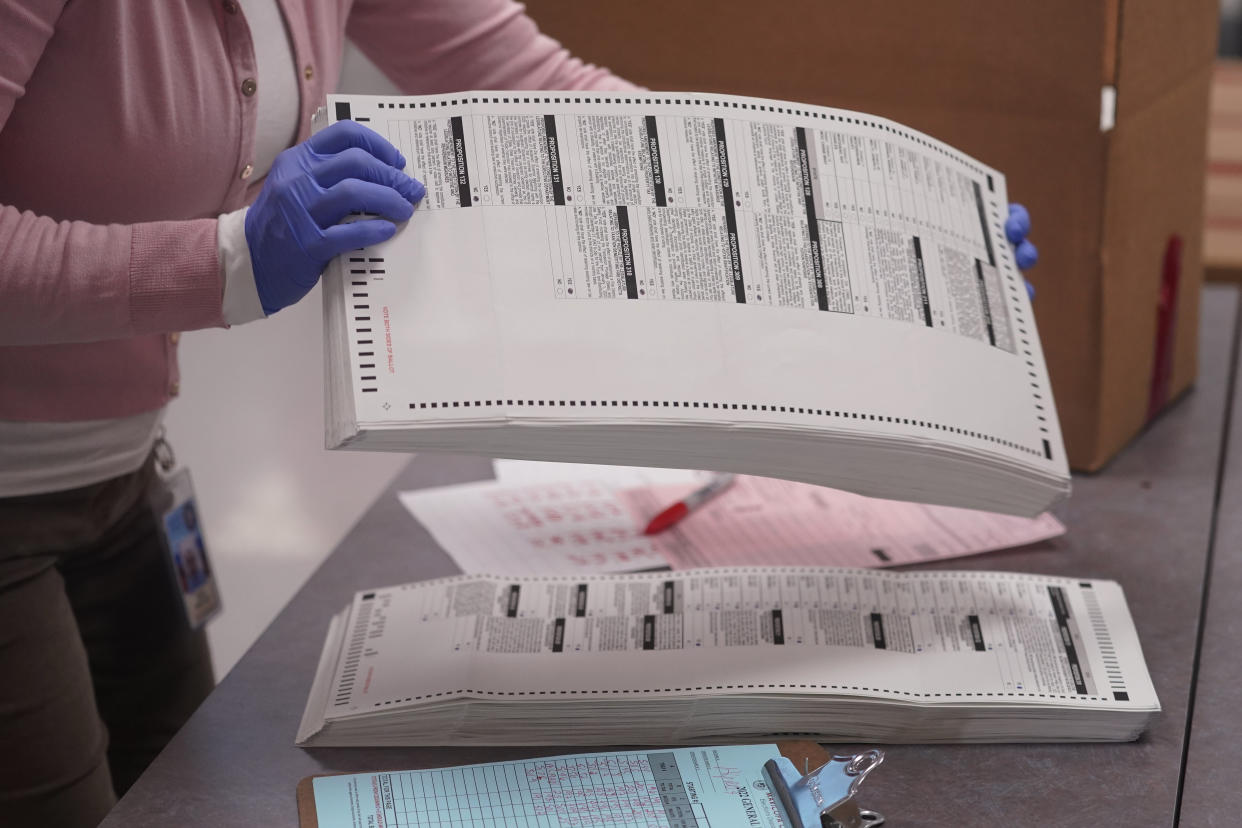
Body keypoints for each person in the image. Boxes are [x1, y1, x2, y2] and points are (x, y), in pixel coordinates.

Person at [0, 2, 1037, 825]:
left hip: (124, 472)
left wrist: (894, 238)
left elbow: (554, 98)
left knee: (180, 799)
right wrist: (224, 260)